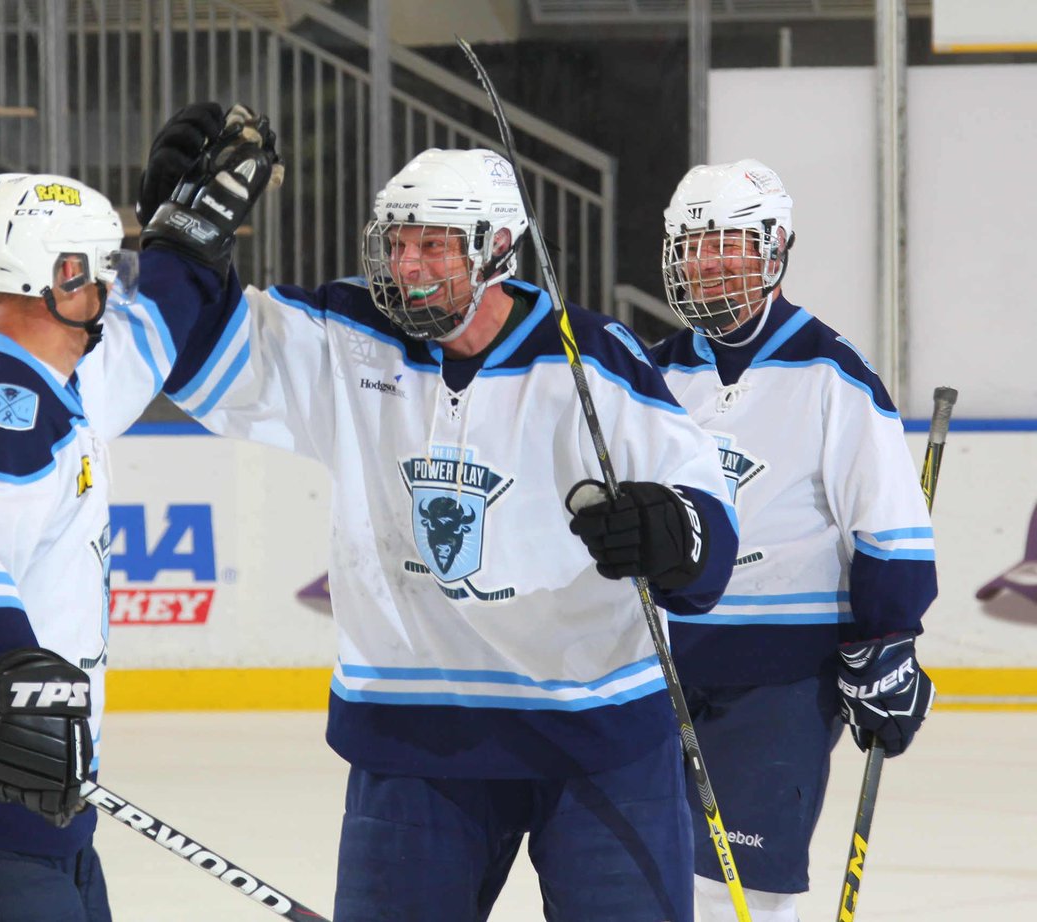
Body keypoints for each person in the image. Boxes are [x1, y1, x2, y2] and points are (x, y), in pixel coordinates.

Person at [133, 103, 739, 921]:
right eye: (399, 241)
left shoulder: (593, 357)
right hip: (416, 733)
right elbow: (196, 352)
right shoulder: (349, 335)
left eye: (436, 244)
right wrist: (178, 244)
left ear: (496, 249)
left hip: (597, 731)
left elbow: (704, 513)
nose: (409, 264)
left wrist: (672, 534)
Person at [0, 115, 276, 918]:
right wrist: (10, 667)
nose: (113, 283)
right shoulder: (3, 416)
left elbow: (146, 338)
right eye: (101, 268)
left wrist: (191, 243)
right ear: (58, 273)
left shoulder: (51, 381)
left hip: (25, 784)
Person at [650, 159, 937, 922]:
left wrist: (888, 640)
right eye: (692, 246)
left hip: (782, 677)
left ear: (777, 248)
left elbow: (891, 529)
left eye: (730, 245)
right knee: (647, 881)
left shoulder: (833, 374)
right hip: (659, 672)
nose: (708, 263)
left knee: (736, 891)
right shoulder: (651, 375)